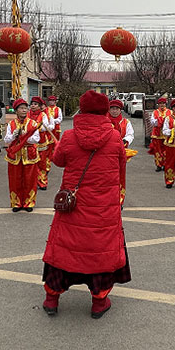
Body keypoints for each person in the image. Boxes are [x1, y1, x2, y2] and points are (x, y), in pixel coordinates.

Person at [42, 90, 129, 319]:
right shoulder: (114, 137)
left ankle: (52, 298)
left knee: (64, 249)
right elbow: (121, 165)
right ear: (104, 111)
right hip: (103, 208)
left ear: (81, 109)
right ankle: (99, 302)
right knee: (100, 252)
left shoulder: (69, 136)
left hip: (74, 204)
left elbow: (58, 161)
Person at [3, 98, 42, 211]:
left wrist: (25, 137)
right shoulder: (11, 124)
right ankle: (16, 203)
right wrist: (14, 135)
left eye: (26, 108)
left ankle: (29, 203)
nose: (24, 110)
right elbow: (7, 139)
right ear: (16, 110)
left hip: (29, 154)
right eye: (21, 108)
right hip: (14, 155)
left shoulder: (33, 123)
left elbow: (36, 139)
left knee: (30, 180)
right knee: (15, 180)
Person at [109, 99, 134, 205]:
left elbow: (130, 134)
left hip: (121, 153)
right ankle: (108, 199)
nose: (114, 111)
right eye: (112, 109)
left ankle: (119, 200)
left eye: (117, 109)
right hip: (107, 155)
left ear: (120, 110)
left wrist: (125, 140)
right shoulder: (104, 122)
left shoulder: (126, 122)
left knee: (120, 177)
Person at [29, 96, 53, 191]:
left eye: (35, 104)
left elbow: (45, 127)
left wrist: (35, 127)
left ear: (39, 106)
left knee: (41, 164)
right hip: (30, 142)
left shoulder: (43, 115)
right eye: (32, 104)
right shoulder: (27, 114)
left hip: (41, 142)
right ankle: (32, 182)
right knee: (31, 163)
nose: (33, 106)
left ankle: (42, 182)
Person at [148, 97, 171, 172]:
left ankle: (165, 164)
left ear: (166, 104)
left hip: (166, 135)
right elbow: (152, 122)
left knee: (166, 150)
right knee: (157, 151)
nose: (162, 105)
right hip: (157, 134)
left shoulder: (170, 112)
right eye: (160, 103)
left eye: (163, 103)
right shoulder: (155, 112)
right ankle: (158, 165)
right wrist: (160, 121)